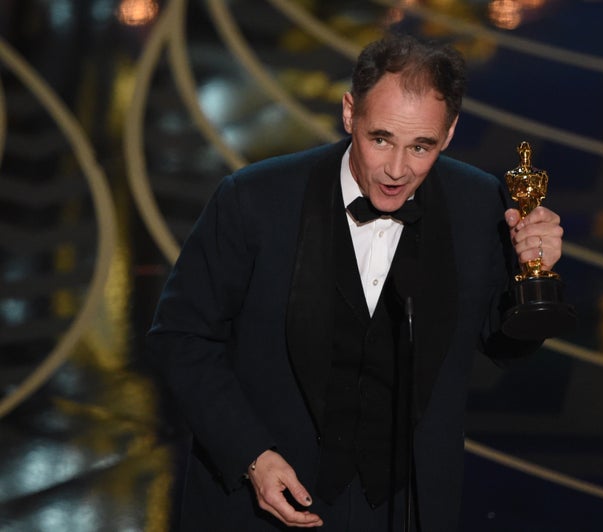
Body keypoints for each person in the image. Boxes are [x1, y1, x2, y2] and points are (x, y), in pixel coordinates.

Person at [146, 33, 564, 531]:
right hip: (262, 505)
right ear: (349, 113)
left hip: (403, 511)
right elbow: (181, 338)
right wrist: (252, 455)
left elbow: (504, 344)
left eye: (421, 147)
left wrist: (534, 276)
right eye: (380, 138)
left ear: (449, 135)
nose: (396, 170)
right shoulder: (254, 200)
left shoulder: (479, 205)